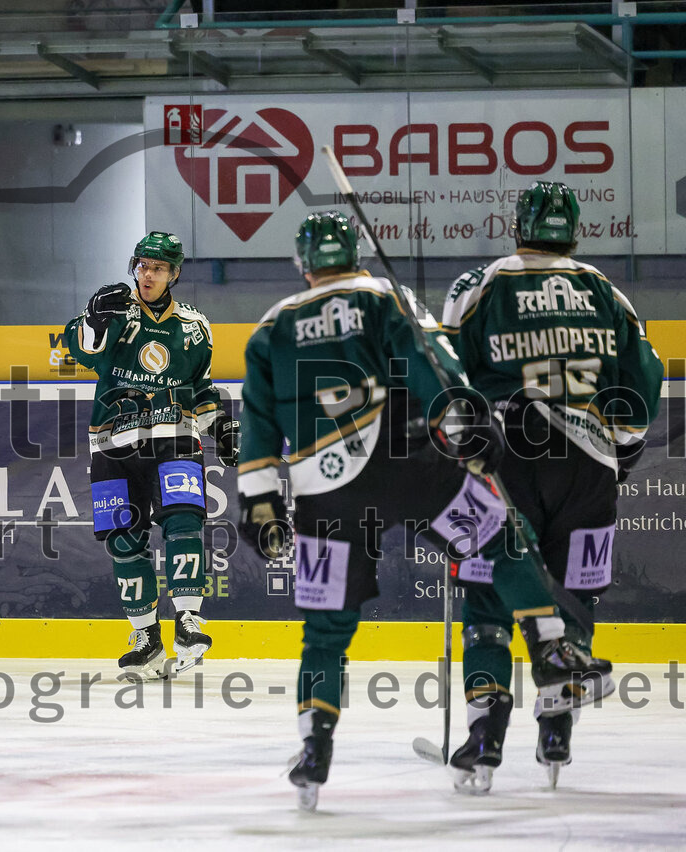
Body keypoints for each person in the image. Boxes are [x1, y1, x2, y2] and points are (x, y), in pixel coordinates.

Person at [236, 210, 614, 808]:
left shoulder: (271, 328)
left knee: (325, 630)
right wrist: (464, 418)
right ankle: (551, 648)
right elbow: (431, 361)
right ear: (355, 252)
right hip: (412, 469)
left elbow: (255, 429)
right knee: (499, 539)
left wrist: (259, 503)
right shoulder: (387, 298)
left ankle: (315, 748)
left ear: (303, 264)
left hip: (326, 496)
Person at [440, 182, 664, 785]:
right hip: (587, 461)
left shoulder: (478, 285)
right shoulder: (605, 292)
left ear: (518, 225)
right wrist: (624, 449)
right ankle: (557, 733)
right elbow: (645, 379)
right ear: (574, 230)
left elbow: (442, 368)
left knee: (487, 598)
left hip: (504, 455)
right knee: (576, 597)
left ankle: (484, 735)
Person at [63, 231, 238, 678]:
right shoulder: (117, 314)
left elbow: (200, 385)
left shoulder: (195, 326)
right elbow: (81, 350)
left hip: (175, 436)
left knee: (183, 519)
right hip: (111, 443)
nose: (147, 274)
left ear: (174, 274)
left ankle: (188, 619)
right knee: (124, 538)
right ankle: (146, 638)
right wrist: (93, 316)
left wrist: (219, 425)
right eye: (142, 265)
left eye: (158, 268)